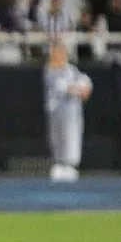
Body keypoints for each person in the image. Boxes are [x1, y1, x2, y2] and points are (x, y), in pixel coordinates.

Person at [44, 41, 92, 182]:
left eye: (62, 53)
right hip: (57, 111)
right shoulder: (49, 70)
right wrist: (79, 89)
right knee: (58, 137)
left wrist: (84, 88)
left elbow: (86, 81)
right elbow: (64, 88)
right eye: (56, 53)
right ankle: (59, 164)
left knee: (73, 137)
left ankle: (71, 165)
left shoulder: (71, 69)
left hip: (72, 113)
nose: (59, 55)